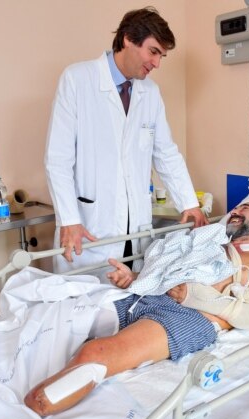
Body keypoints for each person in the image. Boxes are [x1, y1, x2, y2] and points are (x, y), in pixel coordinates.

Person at [24, 202, 249, 417]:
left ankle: (30, 410)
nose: (235, 211)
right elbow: (163, 273)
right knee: (62, 317)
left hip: (191, 315)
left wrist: (197, 297)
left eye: (245, 210)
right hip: (148, 294)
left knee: (94, 353)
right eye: (235, 209)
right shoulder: (209, 242)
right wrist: (133, 277)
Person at [44, 7, 207, 277]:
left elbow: (166, 152)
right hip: (91, 228)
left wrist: (189, 203)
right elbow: (57, 159)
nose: (157, 64)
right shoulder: (77, 79)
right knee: (84, 311)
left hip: (136, 230)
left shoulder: (150, 93)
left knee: (129, 306)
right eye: (153, 52)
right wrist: (69, 220)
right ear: (128, 39)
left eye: (161, 56)